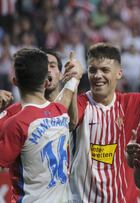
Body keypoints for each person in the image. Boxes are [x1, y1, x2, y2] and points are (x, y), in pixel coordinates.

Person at [68, 43, 140, 203]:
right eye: (92, 70)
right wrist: (73, 82)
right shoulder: (81, 103)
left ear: (119, 73)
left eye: (105, 70)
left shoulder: (133, 102)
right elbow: (72, 120)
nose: (97, 75)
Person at [0, 48, 80, 202]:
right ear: (45, 82)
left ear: (14, 81)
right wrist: (74, 78)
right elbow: (67, 94)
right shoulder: (61, 112)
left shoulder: (16, 123)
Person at [0, 49, 79, 129]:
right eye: (43, 67)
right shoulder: (12, 113)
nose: (47, 70)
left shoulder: (79, 104)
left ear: (61, 75)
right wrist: (74, 80)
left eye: (52, 66)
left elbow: (72, 123)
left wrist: (73, 78)